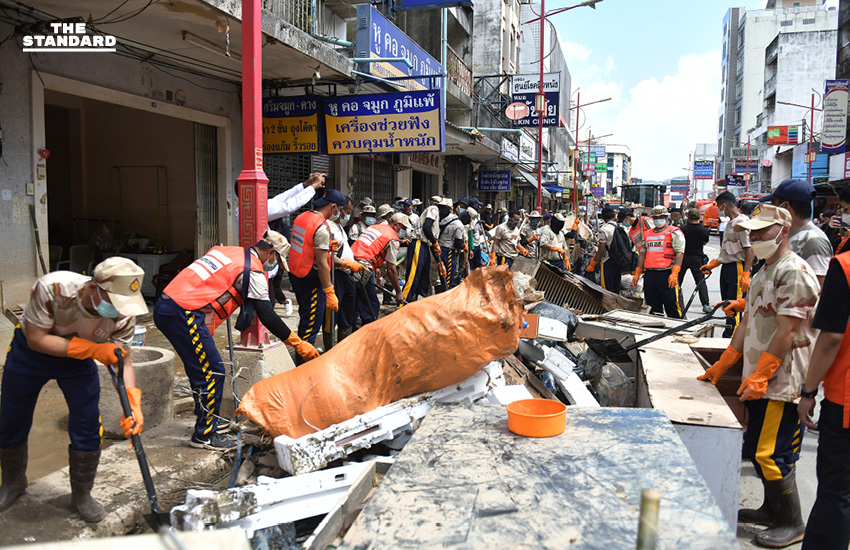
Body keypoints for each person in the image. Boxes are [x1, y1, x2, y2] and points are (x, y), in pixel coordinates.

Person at [698, 205, 818, 548]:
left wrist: (763, 375)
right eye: (751, 232)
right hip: (760, 378)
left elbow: (787, 331)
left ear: (783, 231)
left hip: (782, 381)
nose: (754, 237)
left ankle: (792, 522)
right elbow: (749, 322)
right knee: (757, 447)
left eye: (761, 232)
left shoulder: (793, 271)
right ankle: (770, 509)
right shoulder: (767, 270)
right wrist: (726, 362)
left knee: (771, 453)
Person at [0, 257, 147, 522]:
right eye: (113, 301)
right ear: (93, 287)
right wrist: (92, 349)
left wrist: (133, 403)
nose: (118, 310)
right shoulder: (53, 288)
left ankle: (81, 494)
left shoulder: (124, 314)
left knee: (88, 422)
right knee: (12, 417)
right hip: (30, 355)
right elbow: (36, 339)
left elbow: (123, 360)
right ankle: (12, 483)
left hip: (77, 364)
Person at [157, 231, 319, 449]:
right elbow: (268, 315)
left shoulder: (228, 252)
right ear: (270, 253)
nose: (276, 266)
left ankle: (208, 419)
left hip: (167, 305)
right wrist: (297, 342)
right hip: (184, 314)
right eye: (278, 260)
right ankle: (204, 435)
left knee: (200, 368)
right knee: (213, 372)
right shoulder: (253, 271)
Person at [797, 247, 850, 549]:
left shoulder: (844, 266)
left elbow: (830, 338)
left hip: (845, 402)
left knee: (836, 491)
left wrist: (808, 391)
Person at [289, 189, 346, 345]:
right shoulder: (321, 228)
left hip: (296, 274)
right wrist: (329, 291)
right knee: (311, 325)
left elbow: (305, 244)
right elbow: (321, 263)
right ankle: (305, 364)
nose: (339, 214)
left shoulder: (302, 217)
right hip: (310, 280)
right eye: (339, 210)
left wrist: (326, 247)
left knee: (306, 318)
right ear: (333, 206)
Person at [701, 191, 754, 337]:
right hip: (727, 267)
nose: (719, 210)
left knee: (734, 305)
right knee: (727, 305)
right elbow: (728, 251)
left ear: (724, 205)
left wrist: (746, 273)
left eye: (719, 207)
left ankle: (732, 338)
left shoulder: (742, 222)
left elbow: (749, 249)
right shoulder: (730, 223)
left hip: (737, 268)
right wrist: (713, 265)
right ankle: (728, 333)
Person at [763, 178, 832, 288]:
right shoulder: (786, 233)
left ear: (785, 206)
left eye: (774, 203)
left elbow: (819, 289)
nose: (773, 208)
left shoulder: (813, 240)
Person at [322, 196, 364, 350]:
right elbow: (325, 256)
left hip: (347, 275)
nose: (348, 215)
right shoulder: (328, 227)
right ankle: (330, 349)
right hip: (336, 275)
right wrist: (346, 263)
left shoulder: (339, 227)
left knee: (347, 312)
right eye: (346, 211)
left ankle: (343, 348)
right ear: (337, 210)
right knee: (332, 315)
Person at [351, 212, 411, 317]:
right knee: (372, 305)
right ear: (395, 224)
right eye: (404, 228)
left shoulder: (375, 227)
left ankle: (356, 325)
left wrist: (377, 266)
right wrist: (398, 292)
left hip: (351, 261)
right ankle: (369, 329)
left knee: (357, 301)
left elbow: (373, 247)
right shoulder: (392, 239)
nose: (404, 231)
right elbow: (391, 269)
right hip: (362, 268)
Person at [633, 206, 685, 318]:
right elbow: (642, 254)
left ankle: (677, 329)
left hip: (667, 274)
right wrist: (638, 272)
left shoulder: (674, 233)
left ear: (666, 217)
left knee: (672, 305)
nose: (658, 219)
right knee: (652, 308)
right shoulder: (647, 234)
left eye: (661, 217)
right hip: (650, 274)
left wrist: (674, 273)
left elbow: (679, 253)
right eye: (656, 217)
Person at [680, 208, 712, 313]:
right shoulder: (704, 230)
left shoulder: (682, 230)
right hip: (697, 259)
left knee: (677, 281)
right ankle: (706, 304)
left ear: (688, 217)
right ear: (699, 218)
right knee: (700, 282)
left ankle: (673, 301)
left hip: (683, 257)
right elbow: (704, 243)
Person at [586, 207, 621, 292]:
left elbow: (601, 250)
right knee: (616, 289)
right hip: (619, 262)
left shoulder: (603, 230)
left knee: (607, 290)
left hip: (608, 262)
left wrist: (593, 263)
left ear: (602, 218)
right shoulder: (621, 227)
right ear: (614, 215)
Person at [437, 199, 465, 291]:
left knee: (441, 276)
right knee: (448, 277)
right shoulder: (458, 224)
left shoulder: (442, 220)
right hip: (449, 251)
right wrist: (464, 246)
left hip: (439, 249)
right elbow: (457, 244)